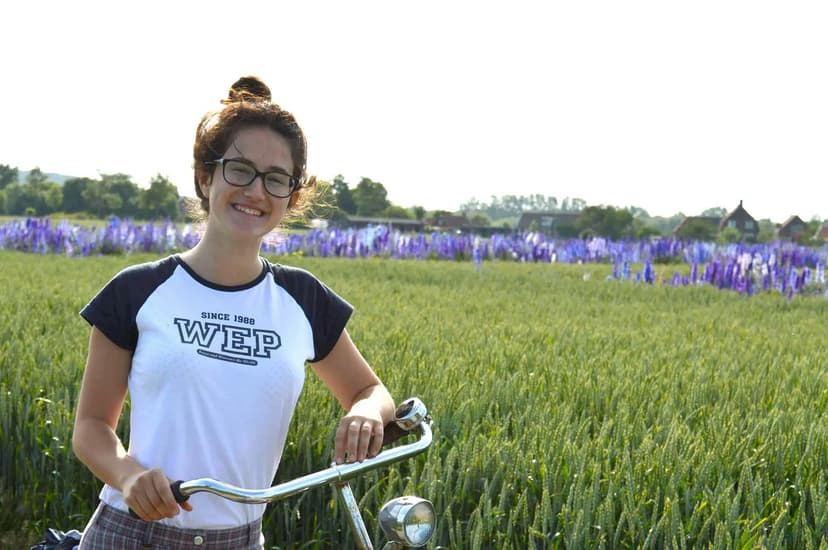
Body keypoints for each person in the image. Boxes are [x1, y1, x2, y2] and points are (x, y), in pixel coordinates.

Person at [72, 76, 395, 549]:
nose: (256, 191)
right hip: (130, 534)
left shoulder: (302, 299)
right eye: (240, 170)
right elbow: (90, 427)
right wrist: (128, 475)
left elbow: (370, 390)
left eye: (276, 179)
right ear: (206, 177)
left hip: (239, 540)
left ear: (292, 197)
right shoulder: (137, 291)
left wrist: (366, 411)